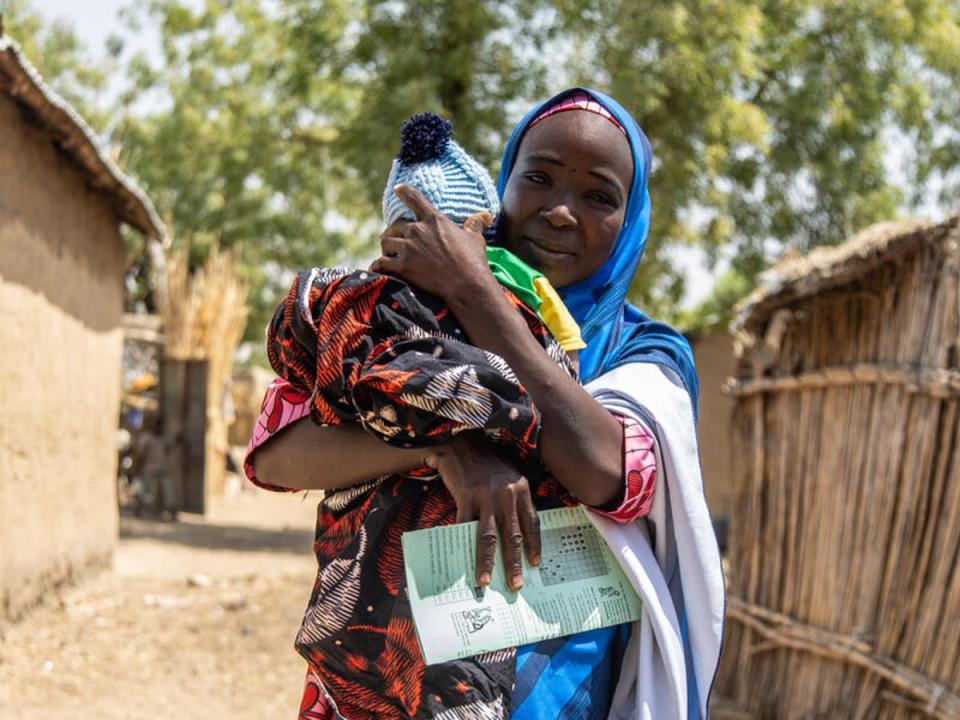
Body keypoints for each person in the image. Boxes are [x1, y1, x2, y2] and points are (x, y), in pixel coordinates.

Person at [248, 89, 724, 719]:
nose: (559, 211)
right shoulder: (408, 305)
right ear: (502, 182)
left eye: (598, 196)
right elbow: (277, 454)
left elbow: (609, 474)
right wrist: (444, 445)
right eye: (539, 178)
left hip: (556, 692)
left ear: (631, 218)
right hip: (377, 679)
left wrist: (476, 291)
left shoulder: (642, 352)